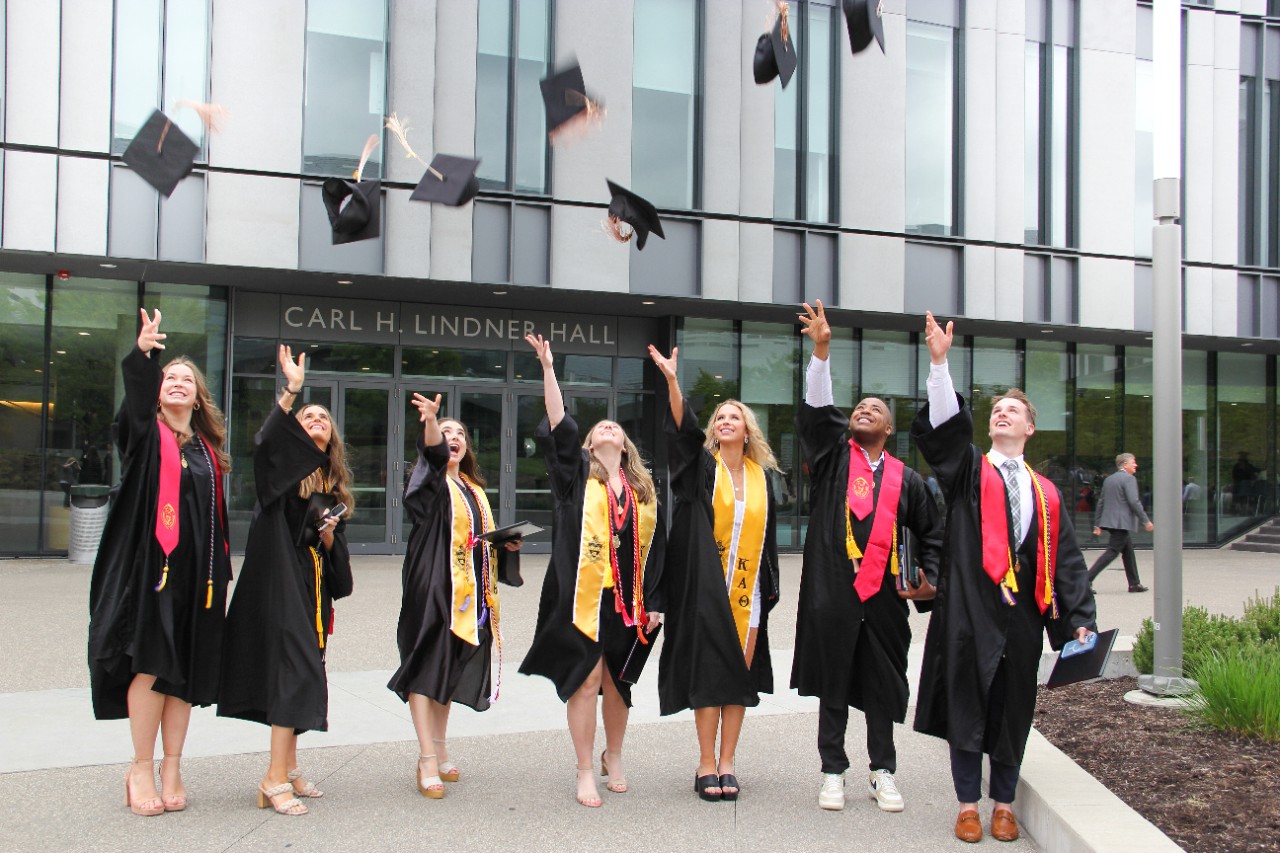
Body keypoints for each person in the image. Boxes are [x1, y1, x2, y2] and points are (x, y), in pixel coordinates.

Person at [912, 311, 1096, 844]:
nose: (1001, 414)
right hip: (970, 609)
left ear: (1030, 428)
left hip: (1022, 618)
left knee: (1014, 709)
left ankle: (1004, 803)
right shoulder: (971, 469)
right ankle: (968, 804)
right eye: (995, 409)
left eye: (1011, 411)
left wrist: (1080, 621)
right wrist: (940, 364)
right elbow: (945, 433)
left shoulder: (1048, 494)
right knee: (967, 704)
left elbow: (1066, 563)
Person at [791, 300, 943, 813]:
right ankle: (832, 771)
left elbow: (933, 535)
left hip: (882, 599)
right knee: (833, 685)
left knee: (881, 687)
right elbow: (816, 412)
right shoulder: (834, 459)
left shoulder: (910, 481)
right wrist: (822, 349)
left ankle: (883, 771)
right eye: (858, 408)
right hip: (834, 592)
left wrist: (930, 582)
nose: (863, 411)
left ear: (890, 429)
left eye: (875, 410)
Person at [88, 308, 232, 816]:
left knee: (182, 674)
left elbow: (215, 521)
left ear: (198, 397)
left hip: (196, 578)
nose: (176, 384)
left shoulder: (208, 452)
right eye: (168, 378)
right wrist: (144, 355)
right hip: (150, 575)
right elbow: (132, 408)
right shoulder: (146, 438)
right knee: (150, 665)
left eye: (185, 380)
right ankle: (139, 767)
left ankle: (173, 766)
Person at [518, 334, 665, 808]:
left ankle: (614, 756)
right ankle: (584, 768)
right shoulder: (574, 477)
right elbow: (559, 424)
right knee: (584, 679)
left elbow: (658, 549)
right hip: (583, 595)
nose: (607, 428)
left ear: (625, 444)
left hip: (630, 600)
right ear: (589, 442)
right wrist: (548, 369)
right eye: (599, 427)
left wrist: (657, 601)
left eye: (614, 427)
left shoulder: (643, 491)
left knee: (617, 682)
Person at [218, 345, 354, 816]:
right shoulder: (278, 486)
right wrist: (292, 391)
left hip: (312, 595)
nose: (316, 418)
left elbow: (343, 577)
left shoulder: (330, 492)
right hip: (277, 589)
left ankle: (290, 765)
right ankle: (274, 778)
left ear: (332, 436)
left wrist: (331, 537)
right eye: (308, 415)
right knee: (292, 676)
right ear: (295, 433)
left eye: (323, 416)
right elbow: (263, 444)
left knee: (303, 671)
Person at [649, 345, 780, 804]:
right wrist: (671, 382)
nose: (725, 422)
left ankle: (729, 763)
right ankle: (706, 763)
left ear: (748, 430)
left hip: (748, 595)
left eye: (734, 417)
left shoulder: (763, 478)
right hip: (707, 593)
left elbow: (767, 546)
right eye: (720, 417)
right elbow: (683, 437)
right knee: (709, 677)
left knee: (737, 680)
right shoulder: (703, 470)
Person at [387, 392, 522, 799]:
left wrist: (503, 546)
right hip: (433, 587)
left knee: (448, 668)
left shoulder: (473, 489)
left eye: (459, 433)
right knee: (426, 666)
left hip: (469, 592)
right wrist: (431, 423)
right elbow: (430, 455)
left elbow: (475, 541)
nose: (453, 438)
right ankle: (426, 758)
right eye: (447, 433)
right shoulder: (431, 481)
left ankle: (440, 750)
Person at [1088, 453, 1154, 593]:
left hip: (1111, 522)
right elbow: (1133, 501)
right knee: (1112, 552)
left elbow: (1101, 502)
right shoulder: (1129, 479)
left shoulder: (1109, 480)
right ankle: (1086, 580)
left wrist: (1097, 524)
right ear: (1125, 464)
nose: (1136, 465)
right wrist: (1145, 520)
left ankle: (1134, 584)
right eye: (1133, 462)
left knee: (1128, 551)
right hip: (1122, 522)